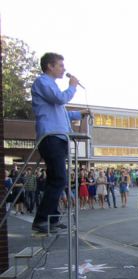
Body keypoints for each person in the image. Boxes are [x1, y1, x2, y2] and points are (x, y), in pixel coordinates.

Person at [31, 52, 89, 233]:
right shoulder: (43, 82)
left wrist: (80, 114)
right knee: (59, 178)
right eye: (61, 65)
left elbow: (62, 113)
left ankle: (52, 219)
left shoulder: (52, 86)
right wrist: (72, 87)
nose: (64, 69)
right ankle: (41, 220)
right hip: (51, 137)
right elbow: (60, 99)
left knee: (56, 179)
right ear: (50, 66)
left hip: (59, 137)